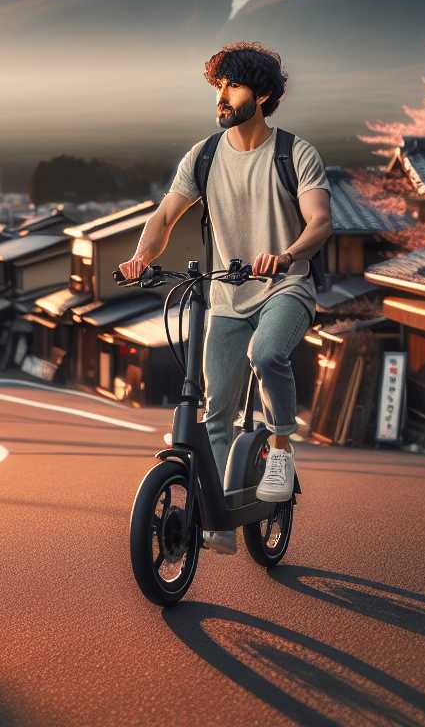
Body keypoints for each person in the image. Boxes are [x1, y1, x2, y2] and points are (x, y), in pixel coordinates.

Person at [118, 42, 332, 556]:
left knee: (267, 354)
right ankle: (214, 514)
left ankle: (280, 447)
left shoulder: (294, 153)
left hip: (285, 287)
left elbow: (320, 221)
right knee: (216, 410)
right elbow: (165, 216)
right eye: (217, 86)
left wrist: (285, 254)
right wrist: (141, 257)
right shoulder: (205, 155)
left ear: (260, 95)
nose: (221, 95)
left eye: (231, 85)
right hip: (226, 296)